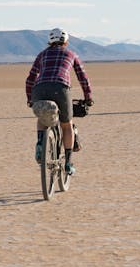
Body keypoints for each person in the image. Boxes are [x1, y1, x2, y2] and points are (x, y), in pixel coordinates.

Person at [25, 28, 93, 175]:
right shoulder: (71, 54)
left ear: (50, 42)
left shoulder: (42, 55)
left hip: (39, 89)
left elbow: (31, 78)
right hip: (60, 89)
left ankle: (40, 144)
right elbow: (83, 78)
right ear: (66, 42)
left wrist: (30, 98)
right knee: (66, 125)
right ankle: (68, 163)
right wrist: (88, 98)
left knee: (43, 117)